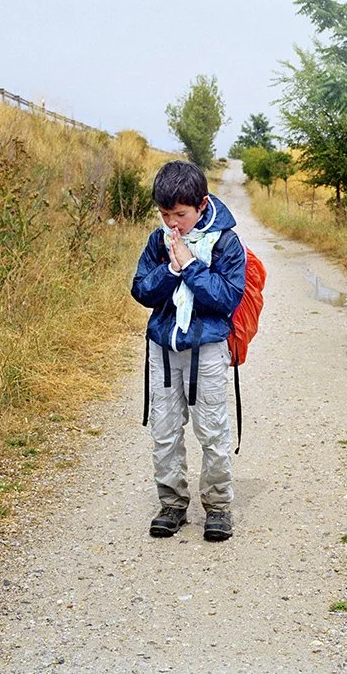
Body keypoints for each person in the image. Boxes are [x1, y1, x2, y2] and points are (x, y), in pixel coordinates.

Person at [131, 160, 246, 542]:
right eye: (165, 215)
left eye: (180, 214)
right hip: (163, 349)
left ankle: (218, 508)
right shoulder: (157, 241)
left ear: (201, 204)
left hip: (208, 351)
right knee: (164, 430)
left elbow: (227, 298)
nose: (173, 223)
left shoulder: (227, 242)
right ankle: (172, 504)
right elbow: (141, 291)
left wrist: (191, 267)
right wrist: (171, 270)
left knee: (212, 431)